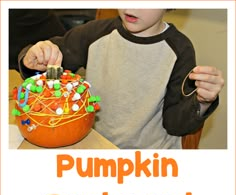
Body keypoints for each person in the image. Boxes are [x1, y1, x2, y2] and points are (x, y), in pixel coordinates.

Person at [18, 9, 224, 149]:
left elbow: (175, 125)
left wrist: (203, 102)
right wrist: (32, 59)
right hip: (96, 146)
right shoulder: (95, 33)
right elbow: (47, 67)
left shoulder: (180, 50)